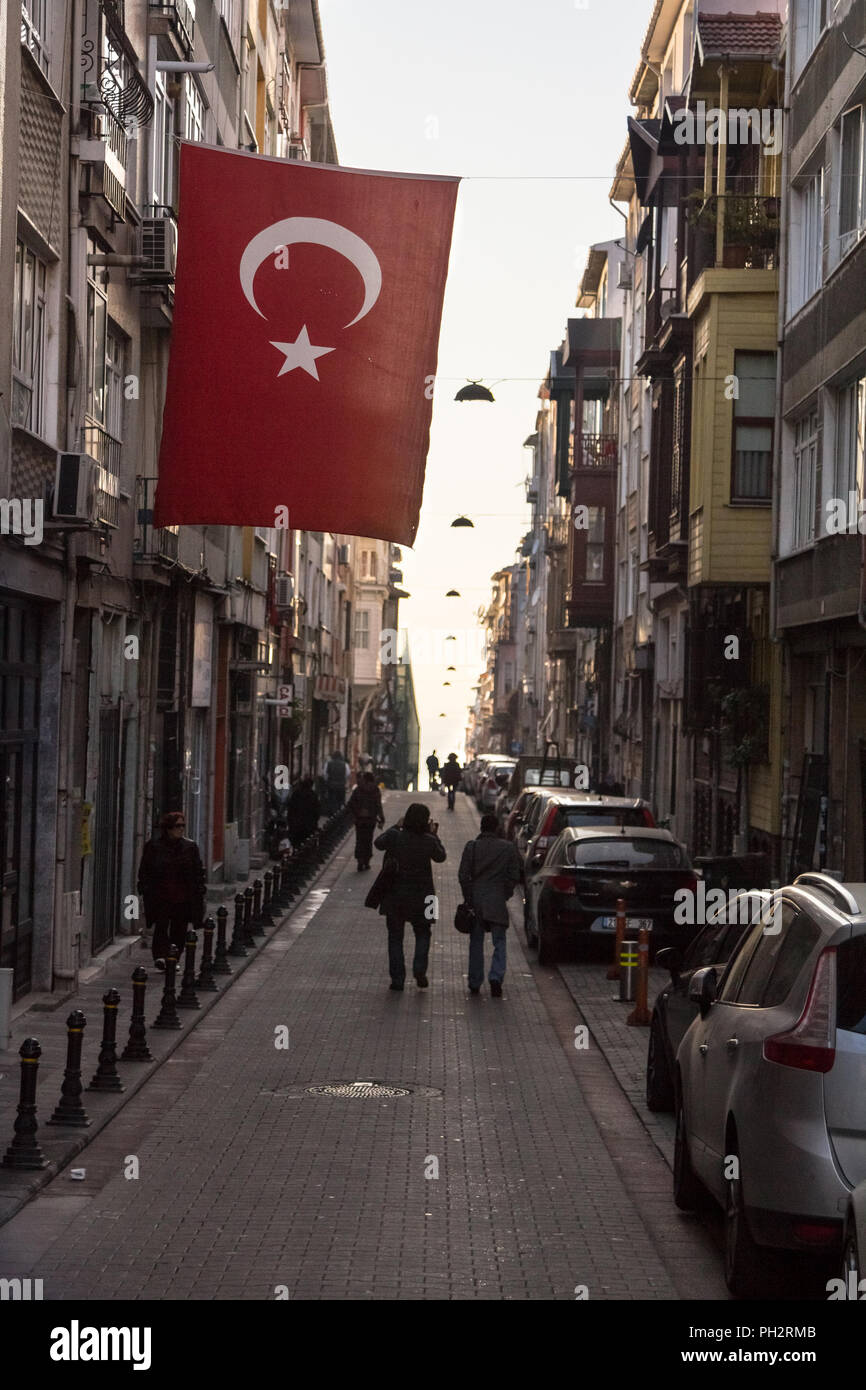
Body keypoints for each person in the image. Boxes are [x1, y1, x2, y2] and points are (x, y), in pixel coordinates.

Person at [374, 803, 446, 991]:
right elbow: (441, 857)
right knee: (424, 933)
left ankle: (397, 979)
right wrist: (434, 834)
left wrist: (396, 826)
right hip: (424, 895)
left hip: (395, 894)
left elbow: (378, 843)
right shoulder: (429, 840)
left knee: (395, 936)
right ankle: (419, 969)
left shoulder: (395, 835)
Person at [458, 813, 523, 997]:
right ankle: (496, 977)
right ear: (496, 829)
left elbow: (463, 875)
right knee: (499, 941)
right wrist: (505, 893)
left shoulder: (472, 847)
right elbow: (514, 875)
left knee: (476, 942)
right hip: (497, 900)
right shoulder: (508, 848)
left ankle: (475, 981)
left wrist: (469, 895)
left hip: (476, 900)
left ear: (481, 827)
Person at [137, 811, 206, 972]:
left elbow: (197, 871)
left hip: (182, 897)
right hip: (161, 895)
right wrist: (145, 889)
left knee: (179, 929)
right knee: (161, 926)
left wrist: (199, 890)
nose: (181, 829)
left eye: (183, 826)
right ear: (168, 828)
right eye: (177, 826)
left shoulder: (190, 847)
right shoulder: (154, 847)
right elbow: (145, 870)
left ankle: (174, 957)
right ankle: (160, 957)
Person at [347, 772, 385, 870]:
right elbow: (378, 805)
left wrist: (356, 813)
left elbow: (351, 803)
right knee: (368, 840)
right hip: (371, 819)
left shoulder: (358, 789)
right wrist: (381, 818)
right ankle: (367, 861)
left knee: (359, 839)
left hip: (360, 819)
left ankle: (360, 860)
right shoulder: (375, 790)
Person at [286, 774, 320, 848]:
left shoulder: (296, 794)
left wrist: (290, 823)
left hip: (296, 826)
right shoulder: (313, 795)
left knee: (296, 844)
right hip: (309, 827)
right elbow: (317, 812)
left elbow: (290, 810)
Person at [324, 749, 349, 813]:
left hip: (331, 785)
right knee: (340, 801)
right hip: (341, 785)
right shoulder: (345, 764)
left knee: (331, 800)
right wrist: (344, 781)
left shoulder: (328, 763)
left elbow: (325, 774)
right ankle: (338, 812)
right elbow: (347, 774)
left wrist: (327, 782)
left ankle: (332, 813)